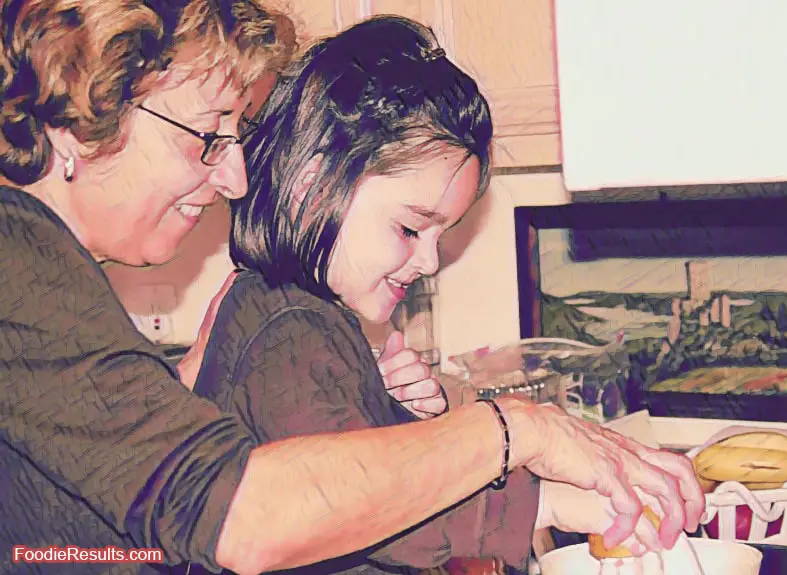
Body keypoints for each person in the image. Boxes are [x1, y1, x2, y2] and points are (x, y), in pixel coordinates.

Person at [0, 2, 703, 574]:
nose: (235, 179)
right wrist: (519, 431)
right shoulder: (16, 260)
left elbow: (83, 535)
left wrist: (186, 389)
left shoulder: (50, 274)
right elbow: (243, 515)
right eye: (207, 135)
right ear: (81, 116)